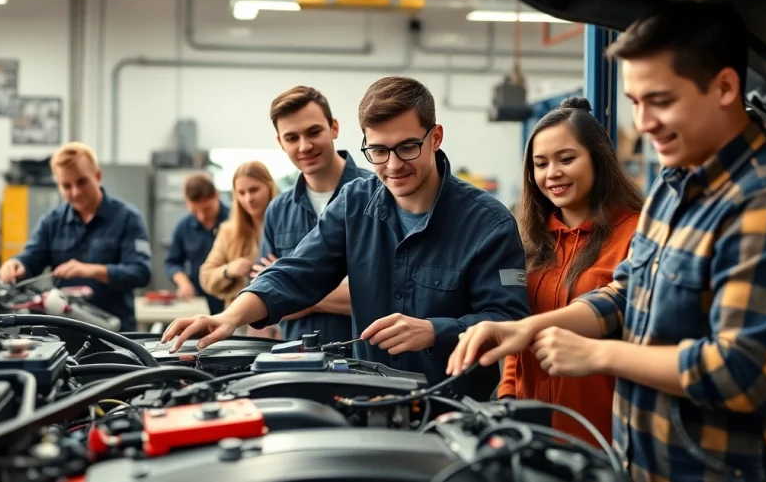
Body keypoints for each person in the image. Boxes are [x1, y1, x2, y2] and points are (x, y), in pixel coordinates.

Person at [447, 1, 766, 482]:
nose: (644, 121)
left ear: (724, 87)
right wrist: (526, 330)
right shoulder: (673, 190)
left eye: (661, 100)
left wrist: (599, 355)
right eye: (635, 102)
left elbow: (744, 373)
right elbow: (626, 291)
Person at [162, 76, 531, 401]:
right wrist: (229, 317)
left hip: (453, 409)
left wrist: (435, 330)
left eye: (407, 147)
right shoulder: (355, 203)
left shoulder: (488, 223)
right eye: (378, 151)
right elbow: (298, 270)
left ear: (435, 137)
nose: (393, 165)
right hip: (370, 402)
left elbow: (510, 322)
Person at [499, 96, 643, 446]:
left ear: (598, 159)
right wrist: (506, 396)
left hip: (602, 433)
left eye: (566, 159)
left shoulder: (638, 235)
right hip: (531, 431)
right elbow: (519, 329)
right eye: (540, 164)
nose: (552, 174)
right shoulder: (531, 242)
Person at [251, 86, 372, 344]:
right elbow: (270, 297)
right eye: (292, 138)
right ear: (281, 143)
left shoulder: (377, 195)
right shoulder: (277, 211)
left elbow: (387, 295)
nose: (304, 146)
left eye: (314, 132)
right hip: (298, 362)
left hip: (367, 361)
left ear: (334, 128)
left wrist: (297, 295)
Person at [0, 142, 152, 331]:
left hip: (116, 334)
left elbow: (140, 272)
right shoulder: (52, 222)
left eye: (82, 182)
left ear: (98, 176)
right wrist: (15, 265)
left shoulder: (128, 218)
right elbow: (31, 259)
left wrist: (91, 270)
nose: (75, 192)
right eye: (66, 186)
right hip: (64, 333)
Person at [199, 161, 280, 337]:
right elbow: (206, 276)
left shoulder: (288, 224)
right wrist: (229, 270)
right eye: (241, 193)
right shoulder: (229, 232)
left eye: (254, 190)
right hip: (240, 321)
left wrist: (279, 272)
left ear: (269, 186)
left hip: (285, 319)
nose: (248, 198)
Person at [163, 173, 228, 314]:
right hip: (198, 303)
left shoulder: (235, 221)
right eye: (195, 211)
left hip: (231, 300)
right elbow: (172, 262)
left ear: (216, 196)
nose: (201, 216)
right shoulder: (183, 226)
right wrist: (183, 283)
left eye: (207, 209)